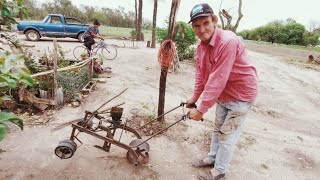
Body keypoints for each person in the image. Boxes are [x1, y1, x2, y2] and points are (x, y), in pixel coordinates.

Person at [186, 3, 258, 180]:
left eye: (206, 23)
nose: (202, 29)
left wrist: (201, 109)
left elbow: (217, 79)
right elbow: (201, 76)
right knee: (217, 128)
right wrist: (194, 98)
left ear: (215, 21)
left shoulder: (228, 41)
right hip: (224, 94)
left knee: (227, 134)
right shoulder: (201, 47)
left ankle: (219, 171)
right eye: (197, 25)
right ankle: (212, 158)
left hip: (241, 94)